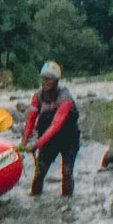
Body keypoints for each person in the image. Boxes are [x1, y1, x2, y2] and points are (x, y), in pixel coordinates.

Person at [19, 61, 80, 197]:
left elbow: (55, 126)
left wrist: (36, 144)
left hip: (68, 139)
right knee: (39, 174)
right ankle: (35, 200)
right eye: (43, 78)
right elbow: (30, 121)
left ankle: (67, 203)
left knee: (67, 173)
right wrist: (23, 142)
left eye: (49, 79)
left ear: (56, 81)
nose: (45, 82)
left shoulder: (65, 99)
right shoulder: (37, 97)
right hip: (49, 140)